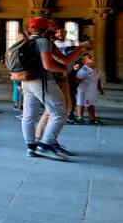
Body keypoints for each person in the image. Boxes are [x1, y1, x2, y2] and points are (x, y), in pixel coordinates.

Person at [16, 16, 90, 158]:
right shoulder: (44, 42)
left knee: (28, 116)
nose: (54, 29)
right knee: (60, 113)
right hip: (42, 81)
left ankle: (31, 147)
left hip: (26, 81)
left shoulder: (25, 41)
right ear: (46, 28)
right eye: (51, 27)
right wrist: (63, 69)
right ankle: (45, 144)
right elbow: (52, 64)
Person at [75, 55, 103, 124]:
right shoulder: (84, 69)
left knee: (91, 104)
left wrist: (100, 89)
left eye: (92, 57)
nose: (93, 58)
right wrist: (75, 87)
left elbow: (98, 79)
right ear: (84, 61)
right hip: (84, 91)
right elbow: (77, 79)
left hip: (92, 91)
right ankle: (80, 118)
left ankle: (92, 118)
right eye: (90, 58)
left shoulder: (96, 69)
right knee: (81, 104)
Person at [10, 30, 26, 111]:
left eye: (22, 37)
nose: (20, 38)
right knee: (17, 87)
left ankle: (23, 104)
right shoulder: (14, 47)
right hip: (16, 70)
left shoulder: (27, 46)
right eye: (19, 37)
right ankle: (16, 102)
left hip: (24, 71)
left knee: (24, 89)